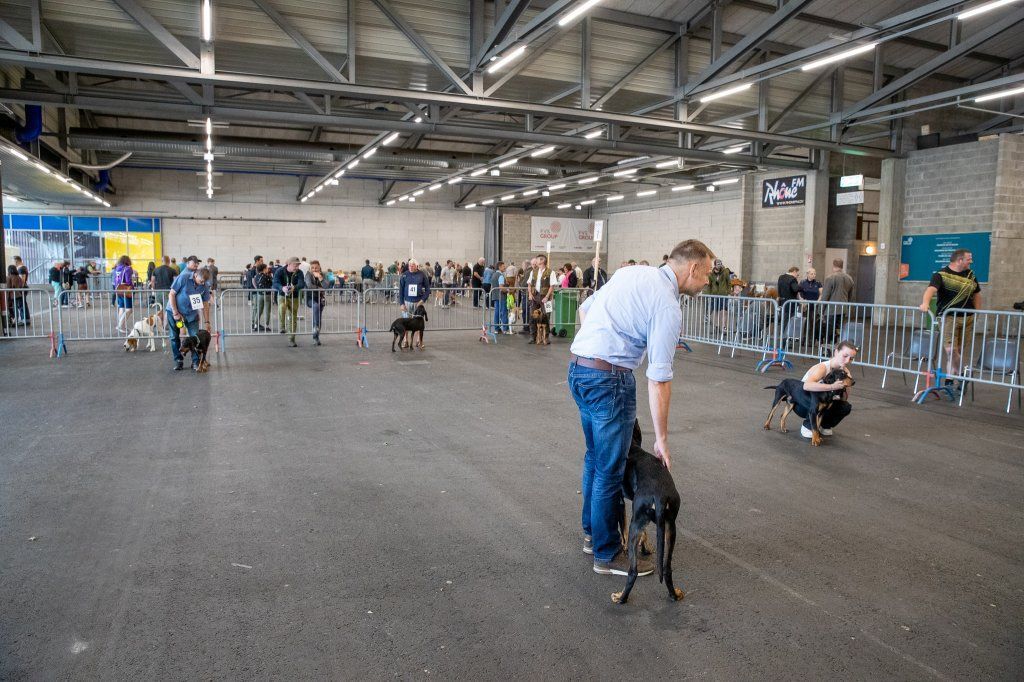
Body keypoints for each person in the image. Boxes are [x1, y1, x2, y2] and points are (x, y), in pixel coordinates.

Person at [568, 239, 714, 576]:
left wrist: (601, 339)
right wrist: (661, 438)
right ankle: (607, 554)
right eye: (705, 274)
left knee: (595, 458)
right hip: (609, 380)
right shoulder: (667, 305)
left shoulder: (632, 274)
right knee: (610, 468)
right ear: (691, 268)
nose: (707, 281)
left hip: (580, 368)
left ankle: (593, 534)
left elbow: (586, 309)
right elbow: (659, 377)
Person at [919, 248, 982, 380]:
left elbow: (976, 294)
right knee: (951, 351)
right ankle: (962, 376)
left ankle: (949, 379)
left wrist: (977, 312)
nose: (971, 261)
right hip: (949, 318)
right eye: (969, 259)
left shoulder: (971, 275)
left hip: (967, 318)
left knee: (957, 351)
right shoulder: (940, 275)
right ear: (960, 260)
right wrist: (925, 303)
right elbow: (930, 290)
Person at [798, 341, 857, 439]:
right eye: (845, 356)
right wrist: (832, 387)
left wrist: (847, 386)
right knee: (817, 400)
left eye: (851, 359)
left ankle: (824, 425)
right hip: (803, 404)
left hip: (822, 402)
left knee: (845, 406)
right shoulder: (823, 367)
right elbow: (806, 386)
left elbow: (844, 399)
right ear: (836, 352)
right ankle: (807, 426)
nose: (847, 361)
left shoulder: (845, 372)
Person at [167, 265, 212, 371]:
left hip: (191, 314)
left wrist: (207, 321)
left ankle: (196, 362)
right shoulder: (183, 278)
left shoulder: (204, 286)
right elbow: (172, 294)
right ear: (196, 275)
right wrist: (175, 313)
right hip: (173, 311)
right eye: (201, 281)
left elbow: (205, 303)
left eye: (204, 282)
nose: (202, 283)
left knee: (195, 338)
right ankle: (179, 360)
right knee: (174, 337)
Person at [273, 256, 306, 347]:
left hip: (294, 297)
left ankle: (291, 339)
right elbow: (275, 282)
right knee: (282, 307)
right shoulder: (280, 271)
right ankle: (282, 325)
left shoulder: (299, 272)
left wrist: (294, 288)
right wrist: (282, 288)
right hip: (282, 295)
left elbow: (301, 283)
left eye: (298, 265)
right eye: (295, 265)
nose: (297, 268)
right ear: (289, 264)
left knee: (293, 318)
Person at [525, 255, 558, 344]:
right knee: (532, 317)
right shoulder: (533, 271)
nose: (536, 261)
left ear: (542, 261)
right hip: (535, 296)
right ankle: (533, 337)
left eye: (538, 259)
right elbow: (529, 284)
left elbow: (552, 286)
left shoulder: (551, 272)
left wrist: (547, 296)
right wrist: (530, 294)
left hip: (546, 297)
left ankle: (546, 338)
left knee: (547, 317)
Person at [820, 258, 855, 343]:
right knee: (839, 329)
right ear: (842, 266)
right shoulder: (849, 278)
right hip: (843, 309)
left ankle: (827, 347)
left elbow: (825, 296)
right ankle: (836, 345)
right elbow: (850, 296)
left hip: (831, 309)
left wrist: (821, 310)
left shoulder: (830, 278)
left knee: (829, 329)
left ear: (834, 266)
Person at [398, 259, 431, 325]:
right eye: (409, 266)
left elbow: (428, 289)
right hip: (407, 302)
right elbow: (401, 290)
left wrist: (423, 300)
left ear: (417, 266)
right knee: (405, 323)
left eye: (412, 266)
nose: (410, 267)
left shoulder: (422, 275)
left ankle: (417, 335)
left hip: (418, 302)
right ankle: (405, 336)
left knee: (417, 324)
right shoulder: (404, 275)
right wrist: (401, 303)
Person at [705, 258, 732, 335]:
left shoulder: (725, 272)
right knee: (715, 312)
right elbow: (709, 285)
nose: (719, 265)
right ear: (715, 265)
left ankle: (724, 328)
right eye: (718, 264)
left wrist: (728, 292)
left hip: (723, 295)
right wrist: (709, 294)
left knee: (724, 312)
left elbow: (729, 283)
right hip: (714, 295)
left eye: (720, 263)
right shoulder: (711, 274)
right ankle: (716, 327)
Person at [304, 259, 328, 346]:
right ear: (310, 268)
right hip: (310, 298)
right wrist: (319, 288)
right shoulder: (308, 275)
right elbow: (309, 285)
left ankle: (316, 336)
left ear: (319, 268)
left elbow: (326, 286)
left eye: (316, 268)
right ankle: (316, 329)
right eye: (312, 268)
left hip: (320, 298)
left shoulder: (323, 275)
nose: (314, 269)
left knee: (319, 316)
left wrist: (320, 278)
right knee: (316, 307)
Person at [112, 255, 136, 333]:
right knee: (129, 309)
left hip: (118, 289)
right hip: (126, 290)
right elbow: (128, 281)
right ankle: (120, 325)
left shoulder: (117, 268)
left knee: (121, 307)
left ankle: (122, 326)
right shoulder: (128, 269)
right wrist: (133, 286)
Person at [777, 266, 801, 332]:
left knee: (782, 321)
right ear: (794, 271)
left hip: (782, 302)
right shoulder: (792, 279)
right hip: (790, 304)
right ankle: (784, 338)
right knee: (788, 322)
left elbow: (779, 289)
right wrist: (800, 287)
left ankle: (780, 336)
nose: (797, 276)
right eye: (797, 274)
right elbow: (795, 289)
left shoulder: (781, 277)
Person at [251, 262, 272, 331]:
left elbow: (254, 283)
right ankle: (267, 325)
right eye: (266, 268)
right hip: (267, 294)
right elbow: (271, 283)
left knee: (259, 310)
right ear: (263, 269)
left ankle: (256, 324)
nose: (267, 269)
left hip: (259, 294)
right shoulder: (267, 276)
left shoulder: (256, 276)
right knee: (267, 310)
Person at [492, 260, 510, 334]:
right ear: (499, 267)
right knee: (504, 312)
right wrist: (508, 290)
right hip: (501, 297)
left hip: (495, 296)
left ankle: (496, 329)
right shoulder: (501, 276)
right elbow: (501, 288)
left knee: (497, 313)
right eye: (503, 266)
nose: (504, 267)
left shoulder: (494, 274)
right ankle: (505, 329)